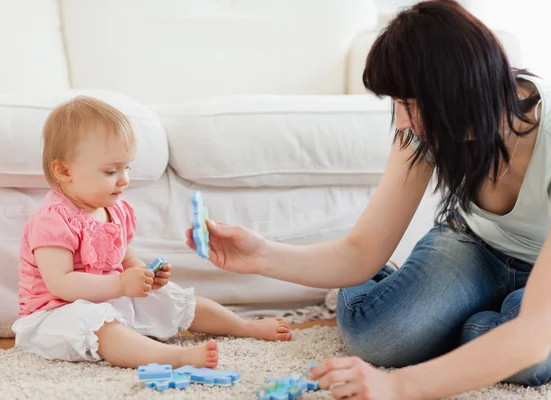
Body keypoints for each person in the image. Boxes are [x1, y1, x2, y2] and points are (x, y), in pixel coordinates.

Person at [185, 0, 551, 398]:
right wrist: (261, 256)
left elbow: (531, 338)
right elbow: (361, 252)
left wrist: (396, 387)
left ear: (459, 91)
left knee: (529, 358)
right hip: (472, 246)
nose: (402, 122)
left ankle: (475, 323)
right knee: (379, 335)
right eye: (396, 103)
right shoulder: (423, 132)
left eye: (410, 104)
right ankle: (418, 296)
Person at [11, 96, 291, 370]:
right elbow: (62, 283)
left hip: (106, 297)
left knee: (171, 297)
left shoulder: (115, 210)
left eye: (126, 167)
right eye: (111, 171)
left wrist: (145, 276)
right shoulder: (52, 220)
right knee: (99, 326)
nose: (124, 179)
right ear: (63, 171)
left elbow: (125, 257)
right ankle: (172, 357)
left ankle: (243, 326)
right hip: (54, 316)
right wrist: (121, 285)